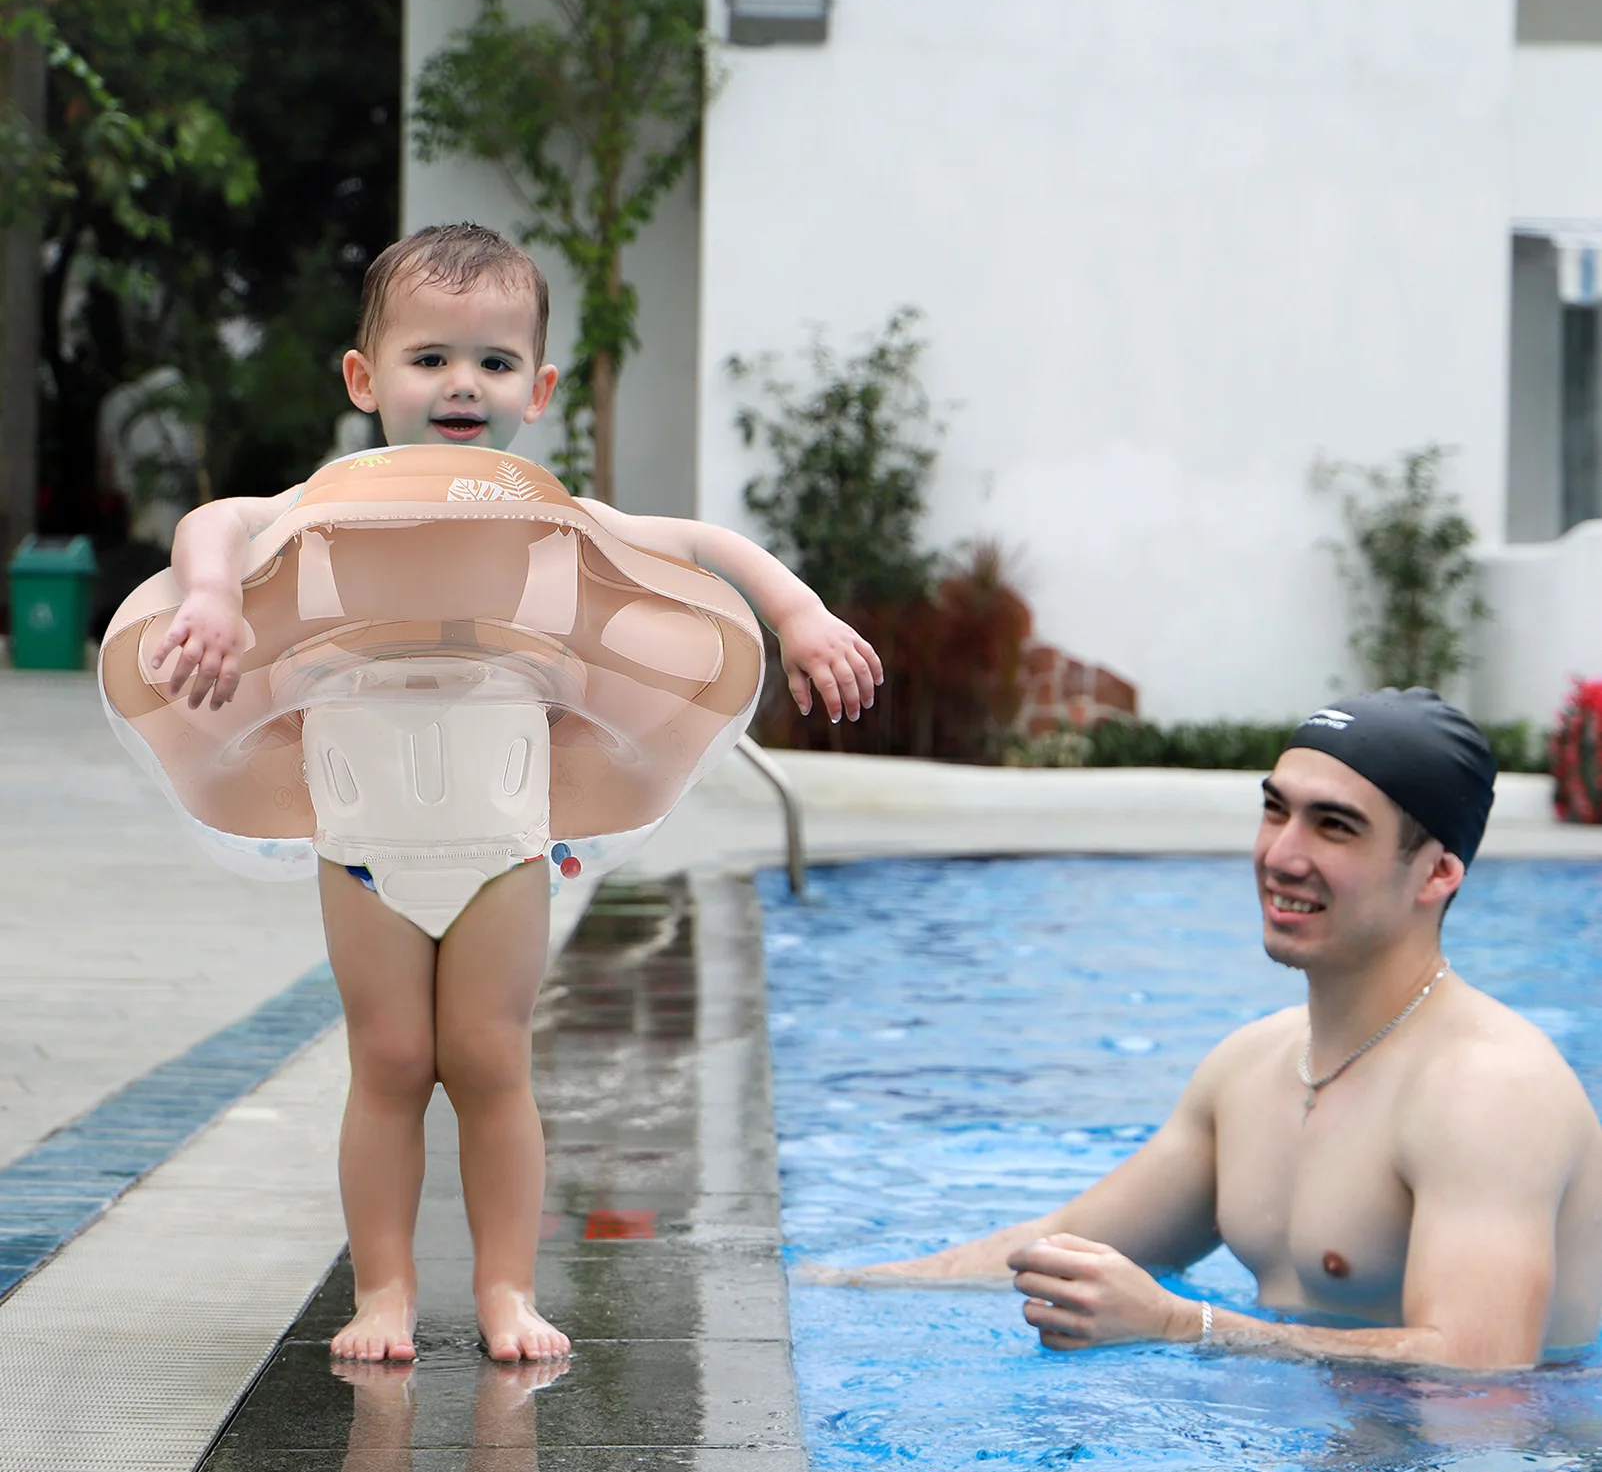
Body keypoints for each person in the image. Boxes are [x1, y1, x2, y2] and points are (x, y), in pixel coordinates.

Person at [147, 223, 883, 1364]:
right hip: (363, 829)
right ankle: (384, 1291)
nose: (460, 385)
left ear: (536, 389)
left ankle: (504, 1290)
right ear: (363, 378)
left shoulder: (546, 518)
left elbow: (698, 541)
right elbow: (222, 522)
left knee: (489, 1059)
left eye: (493, 363)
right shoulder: (327, 500)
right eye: (429, 357)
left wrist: (800, 615)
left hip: (499, 831)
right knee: (389, 1059)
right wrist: (210, 596)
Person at [829, 690, 1602, 1370]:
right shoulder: (1253, 1066)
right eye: (1276, 810)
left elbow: (1479, 1376)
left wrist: (1180, 1324)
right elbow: (1070, 1240)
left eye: (1335, 827)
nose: (1282, 855)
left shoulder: (1488, 1090)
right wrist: (843, 1290)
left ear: (1437, 873)